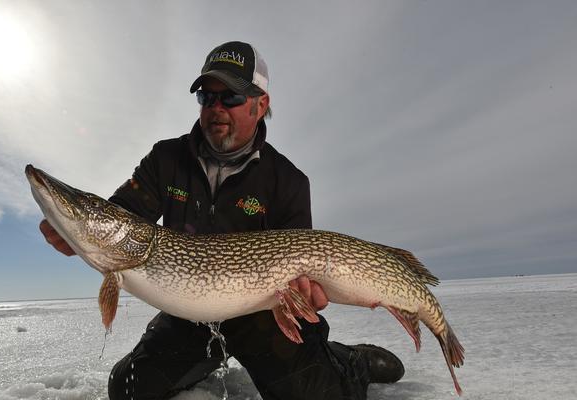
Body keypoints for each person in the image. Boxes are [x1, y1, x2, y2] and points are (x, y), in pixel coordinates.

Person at [40, 41, 404, 400]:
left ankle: (348, 360)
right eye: (206, 97)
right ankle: (208, 357)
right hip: (190, 314)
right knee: (130, 390)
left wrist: (306, 295)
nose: (216, 108)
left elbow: (300, 272)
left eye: (229, 97)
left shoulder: (288, 181)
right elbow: (123, 214)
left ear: (261, 105)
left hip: (262, 314)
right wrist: (76, 234)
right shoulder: (166, 158)